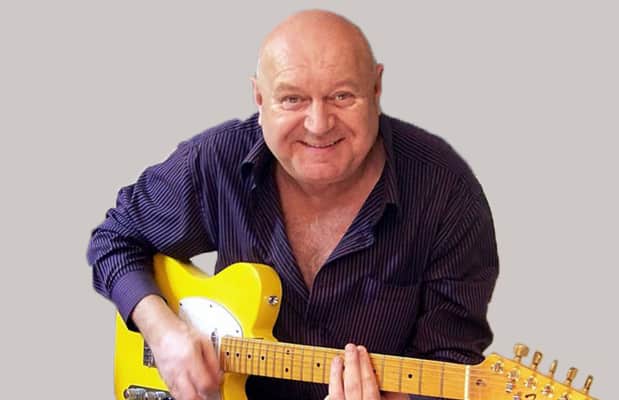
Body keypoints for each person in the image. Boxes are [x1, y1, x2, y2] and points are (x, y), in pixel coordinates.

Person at [87, 9, 499, 400]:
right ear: (259, 97)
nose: (319, 125)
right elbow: (115, 240)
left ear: (376, 88)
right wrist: (161, 332)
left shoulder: (446, 191)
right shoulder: (215, 161)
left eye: (342, 96)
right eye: (292, 100)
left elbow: (452, 361)